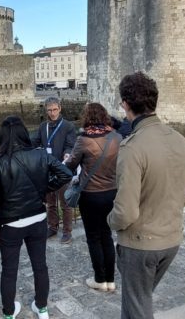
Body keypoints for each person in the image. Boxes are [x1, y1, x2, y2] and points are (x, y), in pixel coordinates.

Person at [107, 72, 185, 319]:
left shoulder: (132, 147)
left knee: (137, 307)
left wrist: (110, 222)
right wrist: (163, 211)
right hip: (171, 240)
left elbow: (125, 212)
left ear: (125, 104)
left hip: (140, 244)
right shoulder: (181, 141)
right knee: (140, 299)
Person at [0, 116, 73, 319]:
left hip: (10, 224)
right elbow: (66, 174)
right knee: (40, 266)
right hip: (37, 219)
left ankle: (8, 313)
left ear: (2, 138)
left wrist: (4, 199)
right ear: (24, 133)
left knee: (9, 270)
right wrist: (44, 188)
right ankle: (42, 308)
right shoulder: (40, 155)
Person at [64, 103, 122, 292]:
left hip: (90, 195)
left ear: (87, 117)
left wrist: (66, 159)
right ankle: (111, 280)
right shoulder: (116, 137)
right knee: (106, 235)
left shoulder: (83, 139)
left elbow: (71, 164)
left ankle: (100, 279)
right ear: (105, 116)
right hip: (111, 193)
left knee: (93, 237)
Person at [31, 96, 76, 243]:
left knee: (65, 203)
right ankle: (53, 227)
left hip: (62, 169)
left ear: (60, 108)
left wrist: (67, 153)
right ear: (46, 110)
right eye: (49, 110)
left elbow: (70, 144)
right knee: (50, 203)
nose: (52, 113)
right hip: (47, 170)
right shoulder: (43, 126)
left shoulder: (68, 126)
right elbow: (35, 142)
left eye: (55, 109)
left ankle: (67, 232)